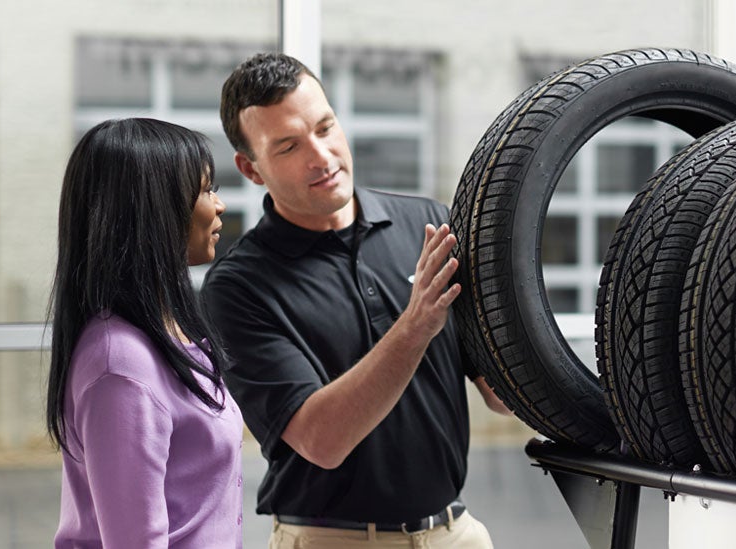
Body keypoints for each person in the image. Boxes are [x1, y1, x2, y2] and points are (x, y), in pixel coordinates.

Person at [201, 52, 508, 548]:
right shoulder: (237, 287)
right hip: (333, 541)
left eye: (325, 127)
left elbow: (498, 392)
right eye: (288, 147)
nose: (320, 156)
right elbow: (322, 442)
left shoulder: (426, 224)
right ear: (250, 169)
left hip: (455, 533)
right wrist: (414, 327)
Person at [48, 118, 242, 548]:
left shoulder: (169, 332)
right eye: (207, 190)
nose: (220, 206)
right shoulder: (120, 363)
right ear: (156, 210)